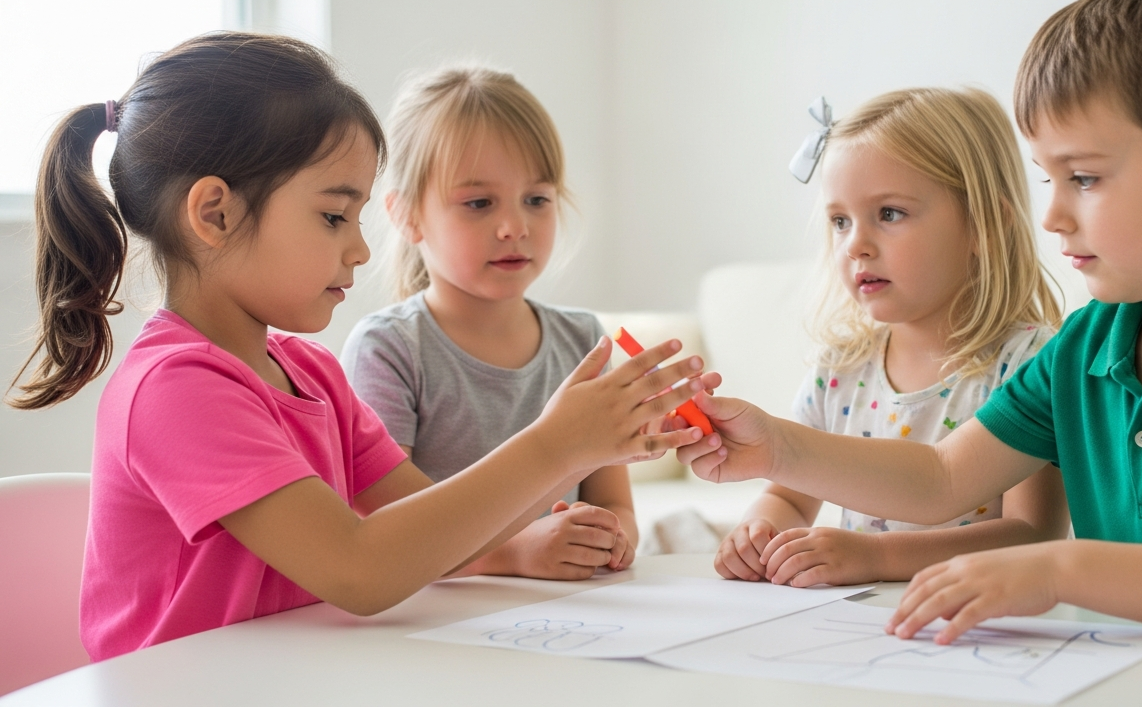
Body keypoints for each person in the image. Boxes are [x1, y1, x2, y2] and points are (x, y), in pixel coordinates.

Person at [678, 0, 1142, 642]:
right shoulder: (1087, 345)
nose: (1050, 217)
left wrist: (1057, 567)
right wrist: (778, 447)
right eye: (1048, 180)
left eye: (1083, 177)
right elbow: (940, 478)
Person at [7, 33, 716, 661]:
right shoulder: (175, 388)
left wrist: (603, 437)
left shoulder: (309, 372)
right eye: (332, 215)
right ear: (214, 213)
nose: (358, 247)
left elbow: (435, 530)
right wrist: (558, 444)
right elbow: (360, 569)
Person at [715, 88, 1068, 588]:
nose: (855, 244)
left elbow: (1032, 536)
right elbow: (790, 496)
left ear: (983, 226)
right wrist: (759, 531)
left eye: (889, 214)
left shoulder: (1029, 363)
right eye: (840, 221)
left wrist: (878, 556)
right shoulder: (839, 368)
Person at [341, 66, 641, 580]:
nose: (514, 227)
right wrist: (513, 554)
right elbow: (385, 531)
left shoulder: (583, 340)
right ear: (407, 216)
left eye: (537, 200)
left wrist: (610, 538)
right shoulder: (389, 349)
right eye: (479, 203)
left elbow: (617, 505)